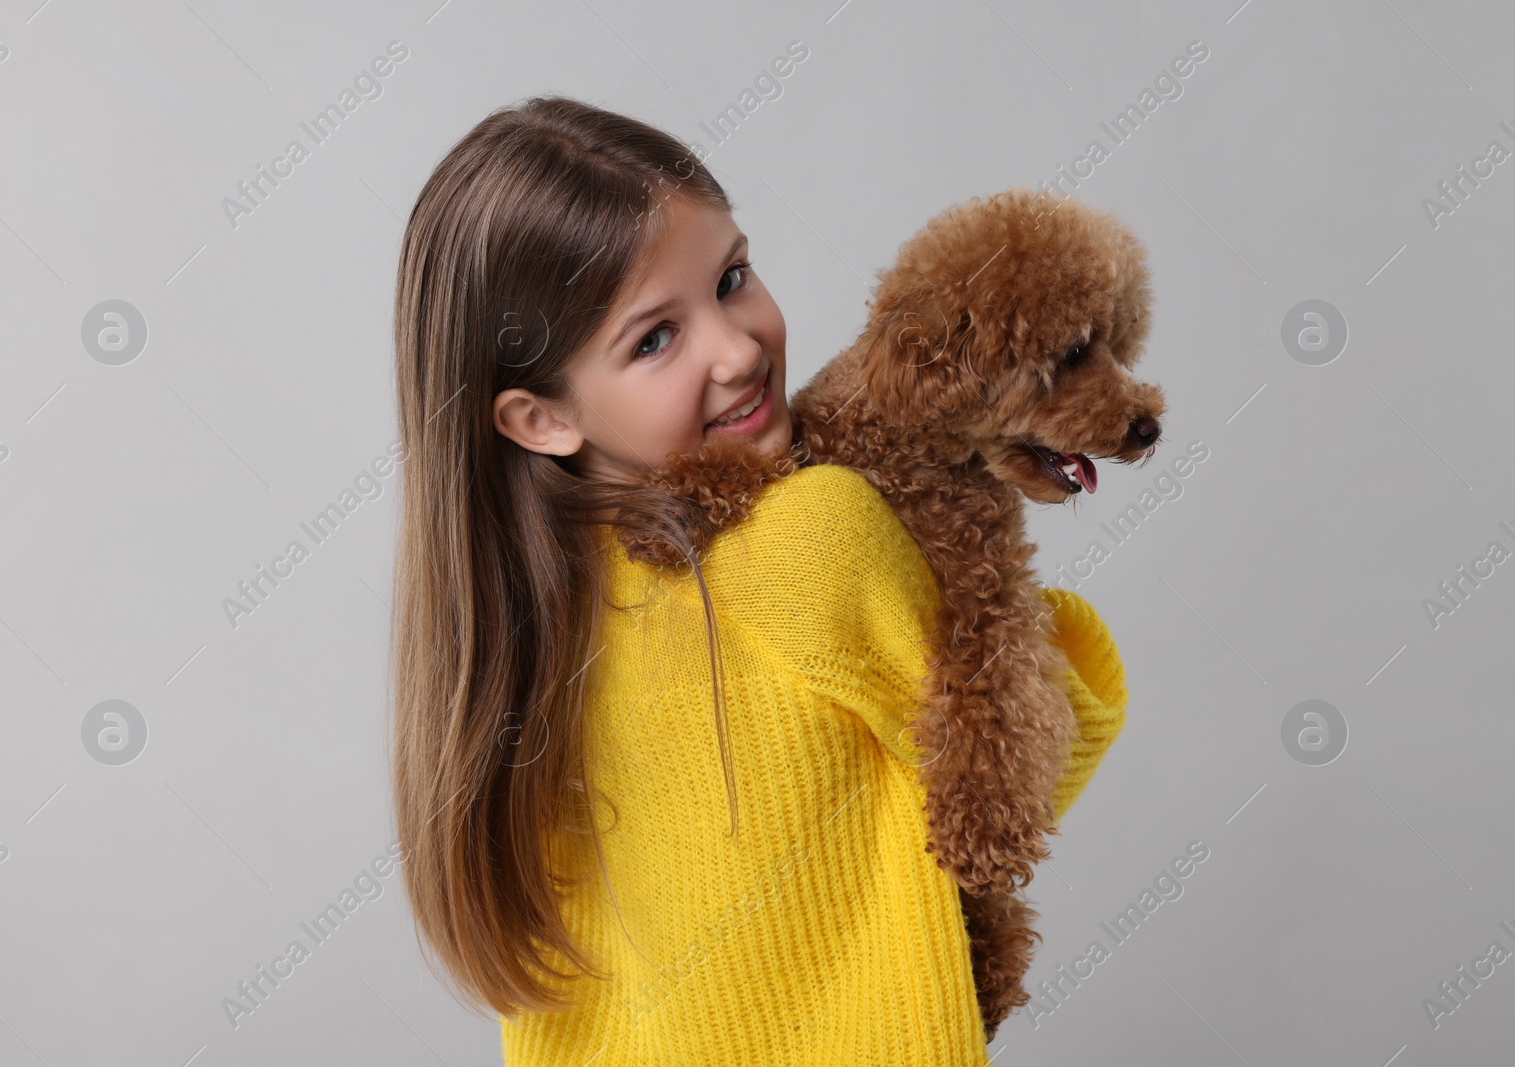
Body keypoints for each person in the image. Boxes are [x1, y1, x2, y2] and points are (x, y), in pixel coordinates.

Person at [388, 94, 1129, 1065]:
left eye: (732, 277)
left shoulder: (521, 621)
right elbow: (1035, 756)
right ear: (539, 419)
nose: (737, 350)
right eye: (654, 338)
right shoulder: (811, 534)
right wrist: (973, 564)